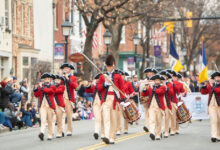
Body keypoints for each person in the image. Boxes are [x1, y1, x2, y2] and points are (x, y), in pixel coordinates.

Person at [97, 55, 125, 144]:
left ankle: (112, 136)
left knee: (113, 119)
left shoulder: (118, 76)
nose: (108, 68)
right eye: (107, 66)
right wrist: (105, 84)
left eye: (110, 66)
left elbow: (122, 89)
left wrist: (122, 100)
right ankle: (106, 135)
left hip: (114, 99)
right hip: (105, 99)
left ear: (113, 65)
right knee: (106, 118)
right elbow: (98, 88)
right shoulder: (103, 76)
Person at [141, 74, 166, 140]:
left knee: (159, 121)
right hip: (151, 106)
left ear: (160, 81)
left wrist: (152, 87)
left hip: (159, 106)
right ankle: (152, 132)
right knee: (152, 120)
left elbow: (159, 92)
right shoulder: (151, 87)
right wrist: (145, 86)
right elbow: (144, 94)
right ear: (154, 81)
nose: (157, 81)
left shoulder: (163, 87)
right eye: (155, 80)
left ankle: (158, 134)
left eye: (158, 80)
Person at [33, 73, 56, 141]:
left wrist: (42, 87)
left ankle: (50, 134)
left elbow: (49, 91)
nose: (47, 80)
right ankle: (42, 133)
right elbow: (36, 95)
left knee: (50, 121)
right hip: (42, 106)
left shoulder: (53, 86)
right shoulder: (41, 87)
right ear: (44, 80)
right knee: (43, 120)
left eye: (48, 79)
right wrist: (36, 88)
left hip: (50, 106)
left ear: (50, 80)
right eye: (45, 79)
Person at [200, 71, 220, 142]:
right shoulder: (211, 85)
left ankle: (218, 135)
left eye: (218, 77)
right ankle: (213, 136)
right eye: (215, 77)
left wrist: (212, 86)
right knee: (214, 120)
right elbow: (203, 92)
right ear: (214, 78)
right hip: (211, 106)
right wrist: (205, 85)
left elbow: (218, 91)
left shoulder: (213, 86)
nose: (217, 78)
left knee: (219, 121)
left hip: (219, 105)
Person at [60, 63, 78, 136]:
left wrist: (67, 78)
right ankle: (61, 130)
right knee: (62, 115)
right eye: (64, 68)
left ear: (70, 70)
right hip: (61, 98)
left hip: (69, 99)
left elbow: (75, 86)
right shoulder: (61, 78)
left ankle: (69, 130)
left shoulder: (73, 78)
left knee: (69, 115)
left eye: (67, 68)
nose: (65, 70)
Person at [142, 68, 158, 133]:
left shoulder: (156, 80)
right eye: (148, 73)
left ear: (153, 73)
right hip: (146, 98)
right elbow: (141, 89)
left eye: (151, 72)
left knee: (154, 114)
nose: (149, 74)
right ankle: (146, 125)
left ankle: (155, 127)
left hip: (154, 98)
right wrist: (144, 88)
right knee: (146, 112)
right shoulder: (145, 80)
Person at [159, 71, 174, 138]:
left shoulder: (169, 84)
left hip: (166, 101)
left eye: (164, 76)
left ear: (167, 77)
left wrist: (166, 87)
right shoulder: (158, 84)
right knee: (158, 118)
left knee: (166, 117)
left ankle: (166, 131)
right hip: (159, 102)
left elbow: (171, 93)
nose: (163, 77)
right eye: (162, 76)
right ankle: (158, 131)